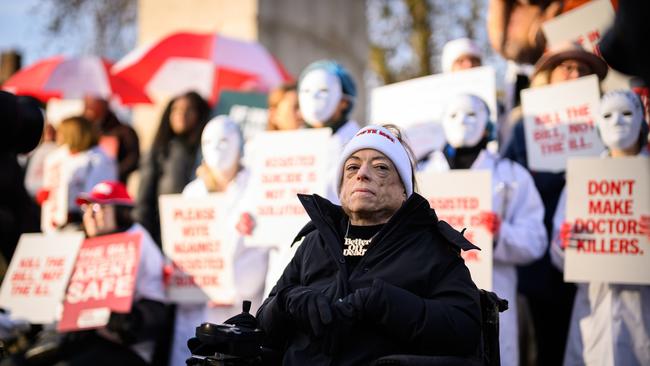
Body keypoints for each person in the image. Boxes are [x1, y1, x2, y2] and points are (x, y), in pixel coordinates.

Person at [256, 124, 482, 365]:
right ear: (342, 187)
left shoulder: (430, 247)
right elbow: (261, 326)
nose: (362, 174)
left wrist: (385, 303)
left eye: (381, 168)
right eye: (352, 167)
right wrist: (286, 301)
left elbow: (465, 328)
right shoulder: (315, 242)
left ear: (404, 191)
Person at [502, 42, 609, 366]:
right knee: (549, 342)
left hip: (598, 246)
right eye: (567, 67)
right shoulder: (524, 127)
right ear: (549, 76)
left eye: (581, 69)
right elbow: (509, 180)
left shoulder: (607, 120)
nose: (574, 74)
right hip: (542, 264)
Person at [421, 94, 547, 366]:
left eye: (471, 115)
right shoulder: (421, 173)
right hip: (432, 295)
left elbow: (536, 241)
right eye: (454, 115)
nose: (463, 122)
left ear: (487, 123)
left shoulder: (512, 175)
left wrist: (502, 234)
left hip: (492, 293)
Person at [550, 90, 650, 366]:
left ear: (642, 121)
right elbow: (558, 254)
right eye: (608, 115)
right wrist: (566, 244)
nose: (617, 121)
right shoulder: (581, 179)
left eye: (626, 113)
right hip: (594, 308)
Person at [169, 116, 270, 366]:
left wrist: (230, 287)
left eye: (225, 141)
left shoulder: (257, 190)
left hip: (240, 305)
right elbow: (184, 245)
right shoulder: (192, 193)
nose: (217, 148)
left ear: (239, 145)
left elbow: (266, 250)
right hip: (196, 305)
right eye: (209, 141)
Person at [47, 180, 167, 366]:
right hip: (83, 339)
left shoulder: (140, 244)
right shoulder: (82, 242)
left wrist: (127, 321)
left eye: (97, 209)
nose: (90, 216)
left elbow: (156, 309)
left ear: (120, 212)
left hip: (127, 349)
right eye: (86, 209)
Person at [134, 91, 210, 245]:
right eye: (176, 109)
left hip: (200, 230)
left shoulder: (207, 152)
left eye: (189, 109)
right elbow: (144, 200)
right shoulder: (158, 152)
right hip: (163, 232)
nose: (181, 115)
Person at [39, 116, 117, 232]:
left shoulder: (97, 159)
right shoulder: (58, 156)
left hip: (82, 222)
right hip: (55, 222)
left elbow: (95, 194)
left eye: (62, 132)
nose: (58, 135)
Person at [83, 96, 140, 183]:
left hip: (114, 185)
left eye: (93, 102)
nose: (89, 107)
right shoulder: (84, 130)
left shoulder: (124, 131)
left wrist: (111, 173)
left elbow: (132, 159)